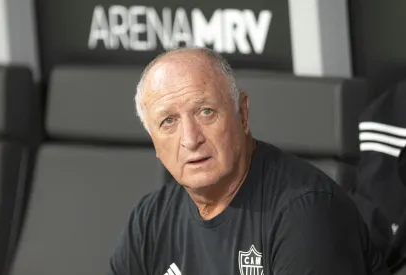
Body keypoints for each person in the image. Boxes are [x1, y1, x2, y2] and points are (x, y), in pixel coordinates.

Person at [107, 47, 390, 275]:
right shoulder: (150, 220)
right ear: (154, 141)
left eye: (205, 112)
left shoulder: (305, 210)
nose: (191, 139)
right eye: (168, 121)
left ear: (242, 114)